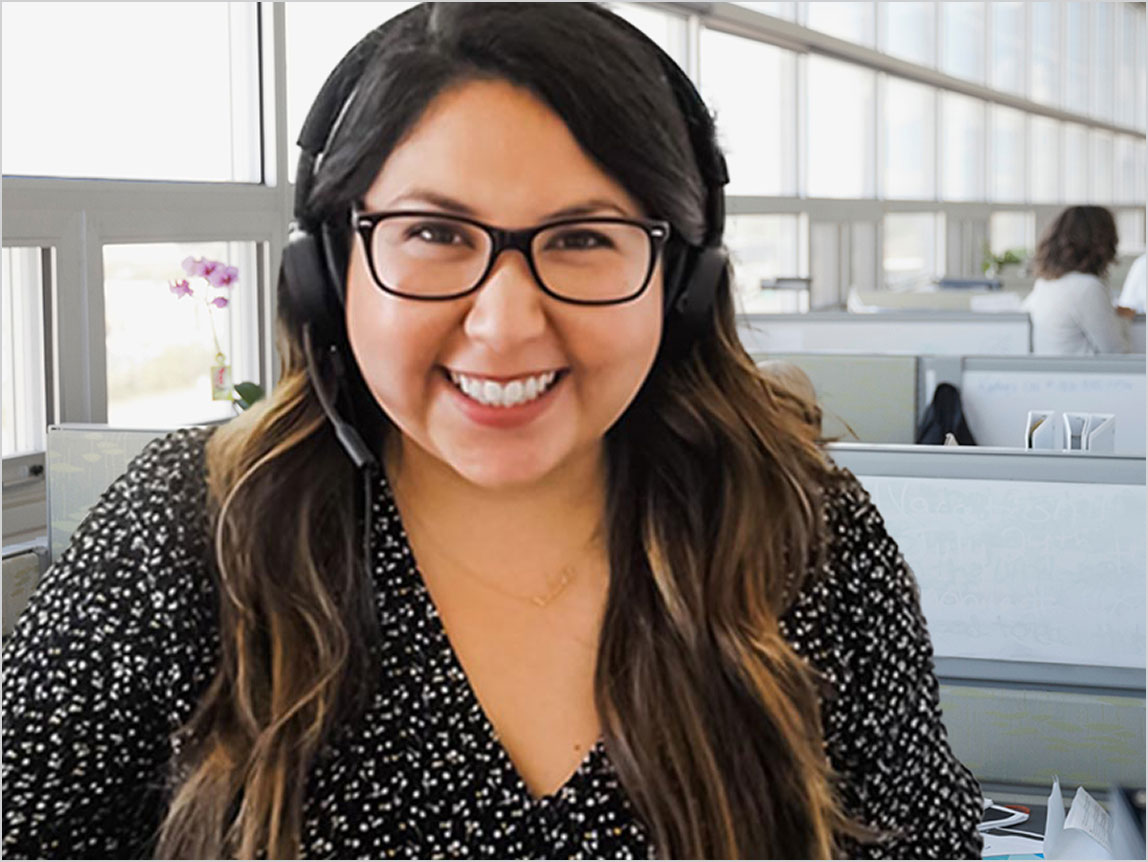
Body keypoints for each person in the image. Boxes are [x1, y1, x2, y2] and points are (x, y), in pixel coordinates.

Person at [1, 4, 983, 859]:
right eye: (434, 233)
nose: (505, 323)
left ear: (682, 286)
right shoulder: (190, 531)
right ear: (330, 268)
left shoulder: (798, 537)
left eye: (583, 238)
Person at [1023, 206, 1130, 354]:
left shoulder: (1046, 283)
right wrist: (1125, 321)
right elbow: (1116, 351)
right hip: (1086, 375)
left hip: (1059, 374)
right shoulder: (1088, 287)